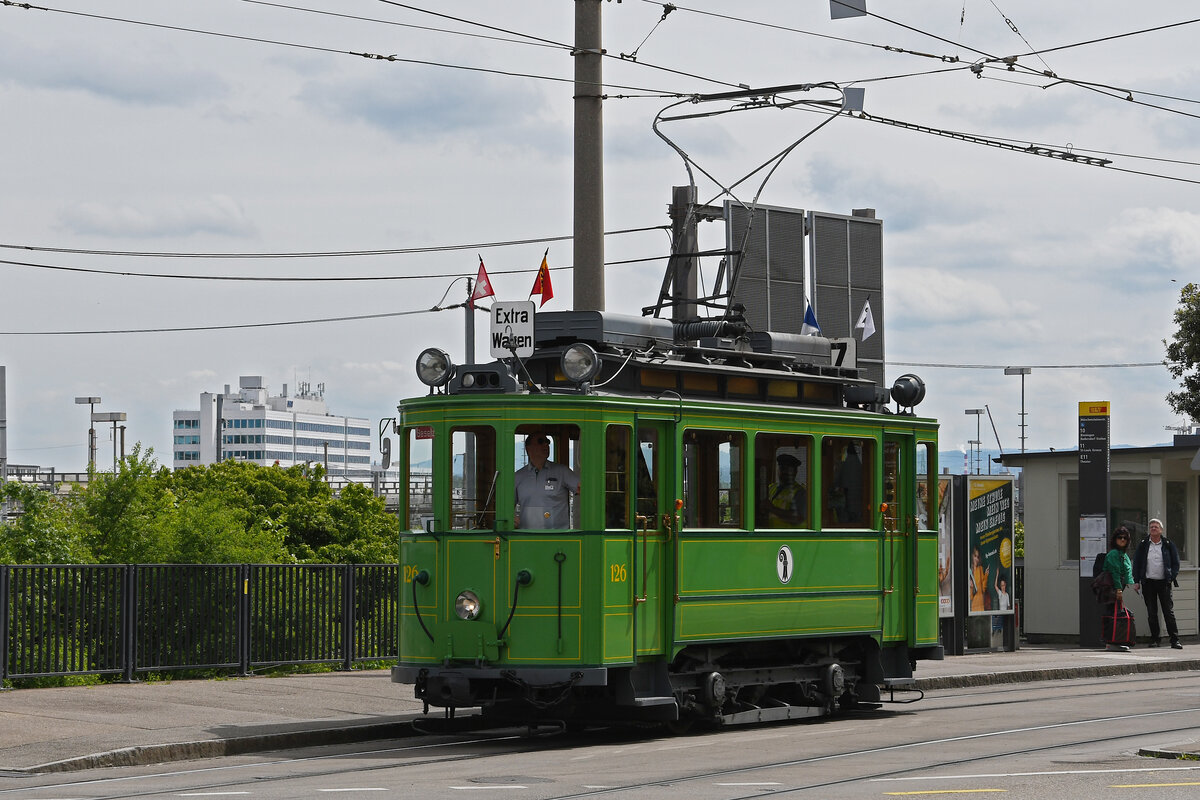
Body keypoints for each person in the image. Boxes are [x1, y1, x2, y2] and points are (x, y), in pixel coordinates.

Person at [1133, 518, 1183, 649]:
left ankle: (1174, 640)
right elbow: (1137, 563)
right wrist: (1136, 581)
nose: (1153, 529)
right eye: (1151, 527)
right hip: (1148, 583)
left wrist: (1171, 577)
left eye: (1156, 527)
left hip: (1164, 583)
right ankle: (1155, 639)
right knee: (1152, 613)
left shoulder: (1167, 544)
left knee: (1168, 611)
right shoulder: (1143, 544)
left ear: (1161, 530)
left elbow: (1176, 563)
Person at [514, 432, 580, 529]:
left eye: (547, 441)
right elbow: (507, 507)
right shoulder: (518, 476)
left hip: (558, 539)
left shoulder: (562, 472)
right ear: (528, 449)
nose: (546, 444)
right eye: (541, 442)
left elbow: (583, 489)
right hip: (527, 538)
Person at [1101, 526, 1135, 651]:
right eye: (1119, 537)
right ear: (1115, 539)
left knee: (1116, 612)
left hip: (1119, 585)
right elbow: (1115, 572)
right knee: (1113, 612)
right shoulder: (1114, 554)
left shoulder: (1123, 554)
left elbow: (1126, 571)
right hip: (1113, 587)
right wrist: (1118, 589)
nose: (1122, 540)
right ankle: (1112, 641)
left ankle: (1116, 640)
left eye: (1125, 538)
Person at [765, 452, 807, 527]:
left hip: (791, 537)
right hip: (773, 536)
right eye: (782, 468)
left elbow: (797, 518)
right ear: (778, 470)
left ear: (795, 472)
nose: (785, 472)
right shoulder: (771, 488)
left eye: (789, 470)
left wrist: (772, 508)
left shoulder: (800, 493)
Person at [968, 546, 990, 612]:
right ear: (972, 556)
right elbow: (971, 597)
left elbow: (983, 589)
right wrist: (971, 588)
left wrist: (986, 575)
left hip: (981, 603)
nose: (976, 559)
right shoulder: (969, 571)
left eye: (978, 557)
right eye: (975, 556)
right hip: (973, 604)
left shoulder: (980, 569)